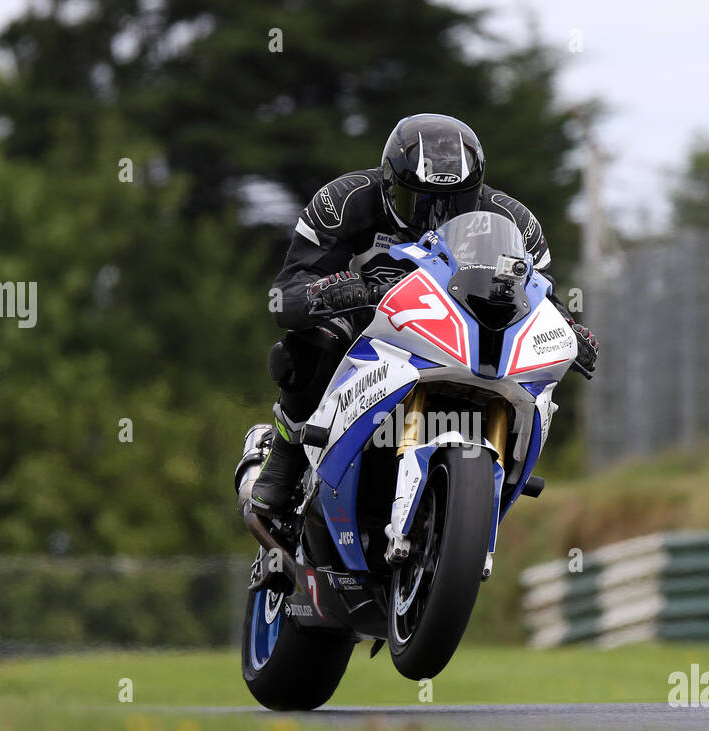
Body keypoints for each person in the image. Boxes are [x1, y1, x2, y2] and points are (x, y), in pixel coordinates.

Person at [249, 113, 599, 516]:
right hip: (372, 332)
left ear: (477, 192)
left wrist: (569, 329)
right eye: (419, 201)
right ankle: (286, 452)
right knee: (313, 339)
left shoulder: (514, 222)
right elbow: (285, 292)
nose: (435, 217)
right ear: (389, 184)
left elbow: (540, 294)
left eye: (455, 204)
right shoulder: (344, 201)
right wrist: (326, 292)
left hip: (462, 336)